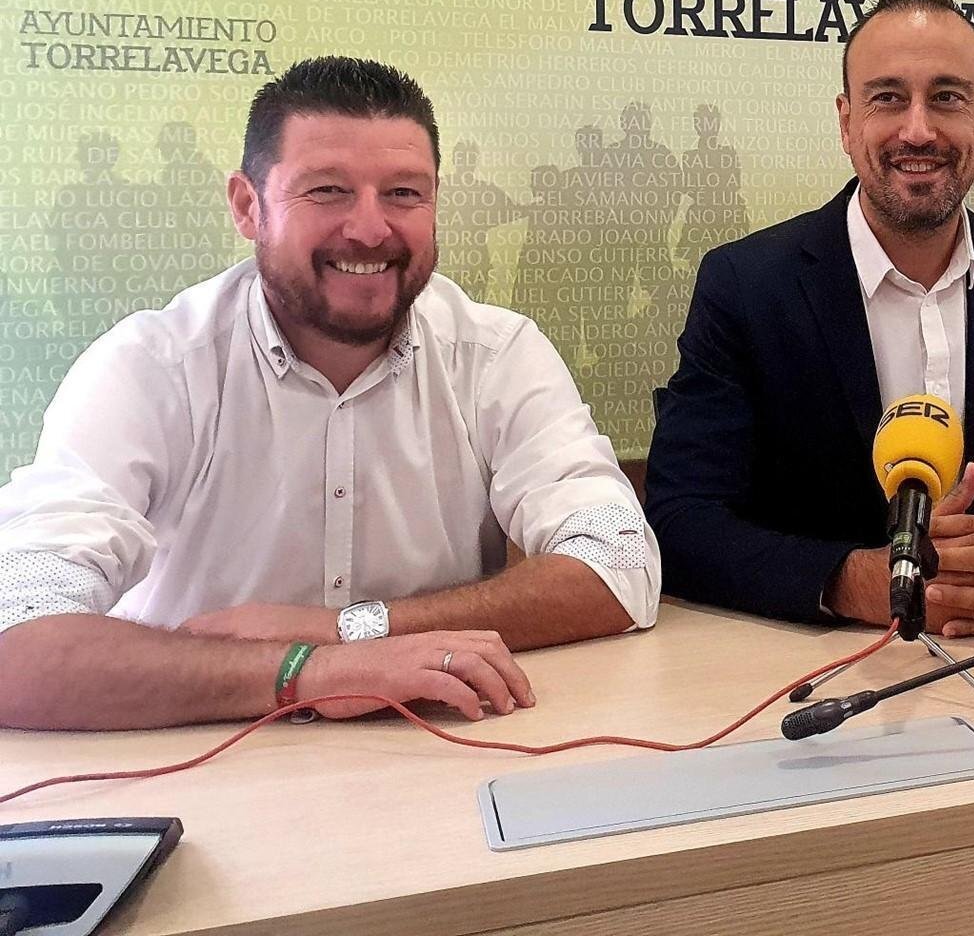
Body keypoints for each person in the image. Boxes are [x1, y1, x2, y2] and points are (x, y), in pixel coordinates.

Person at [0, 58, 659, 732]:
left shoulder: (495, 354)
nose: (370, 229)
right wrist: (306, 673)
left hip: (433, 750)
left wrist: (347, 631)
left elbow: (620, 563)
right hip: (190, 751)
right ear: (247, 206)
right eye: (327, 191)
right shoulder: (153, 366)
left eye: (403, 193)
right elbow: (13, 633)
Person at [645, 0, 974, 637]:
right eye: (888, 97)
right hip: (818, 660)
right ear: (847, 121)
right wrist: (856, 581)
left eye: (947, 97)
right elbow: (681, 520)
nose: (918, 130)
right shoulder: (746, 284)